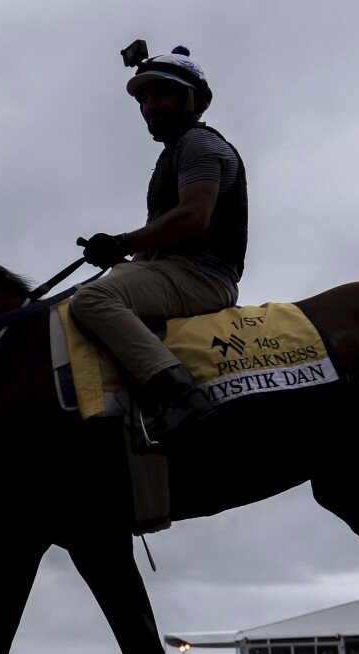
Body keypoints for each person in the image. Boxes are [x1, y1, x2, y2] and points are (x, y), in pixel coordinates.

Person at [73, 45, 247, 444]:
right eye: (143, 99)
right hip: (173, 271)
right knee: (84, 295)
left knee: (91, 302)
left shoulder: (199, 145)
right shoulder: (171, 157)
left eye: (160, 95)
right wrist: (123, 259)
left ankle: (179, 396)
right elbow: (150, 251)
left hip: (202, 276)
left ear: (191, 99)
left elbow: (193, 217)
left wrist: (120, 241)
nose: (149, 106)